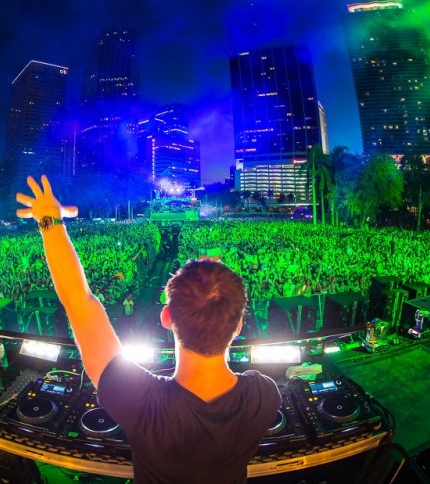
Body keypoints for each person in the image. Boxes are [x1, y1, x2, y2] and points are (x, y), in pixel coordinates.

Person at [17, 176, 281, 483]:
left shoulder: (140, 402)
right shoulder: (264, 395)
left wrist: (50, 222)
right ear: (238, 326)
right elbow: (79, 301)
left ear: (166, 317)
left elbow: (79, 300)